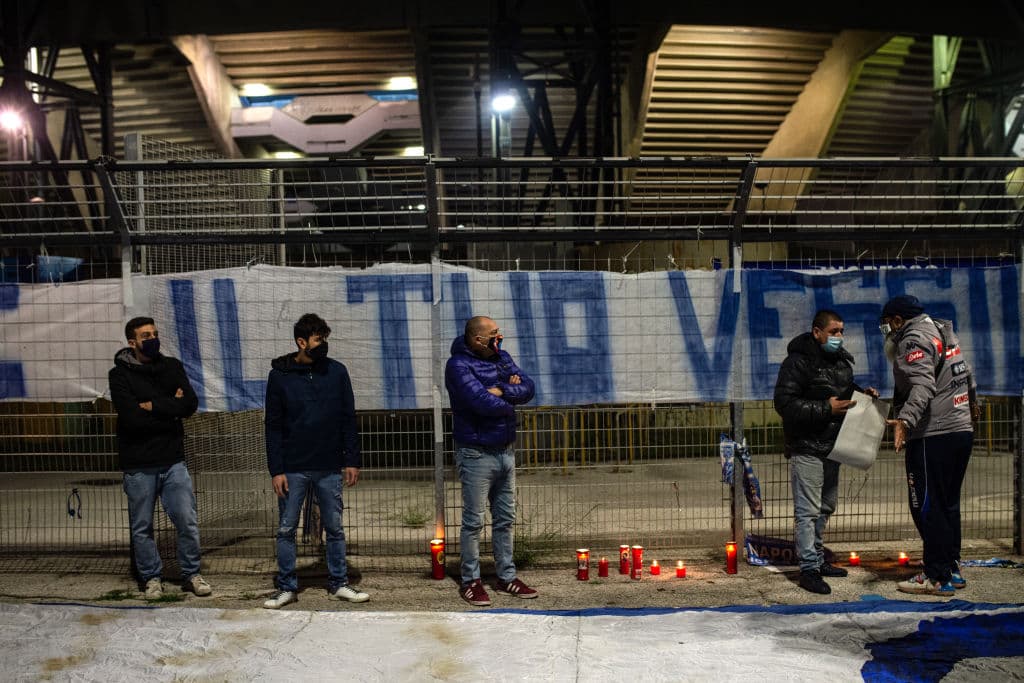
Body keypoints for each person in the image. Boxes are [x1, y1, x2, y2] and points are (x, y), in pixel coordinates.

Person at [262, 313, 368, 609]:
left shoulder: (337, 372)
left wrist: (351, 459)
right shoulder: (280, 376)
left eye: (325, 339)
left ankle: (339, 583)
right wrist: (276, 469)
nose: (324, 344)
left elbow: (348, 418)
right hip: (292, 467)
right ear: (301, 342)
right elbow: (273, 425)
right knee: (286, 529)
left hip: (329, 465)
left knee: (334, 528)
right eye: (318, 339)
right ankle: (287, 587)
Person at [774, 309, 878, 595]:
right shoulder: (797, 362)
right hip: (807, 445)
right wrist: (825, 409)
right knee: (807, 511)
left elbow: (843, 392)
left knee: (826, 506)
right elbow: (784, 403)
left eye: (841, 331)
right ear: (817, 332)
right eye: (833, 332)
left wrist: (862, 395)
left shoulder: (842, 362)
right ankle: (808, 569)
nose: (839, 337)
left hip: (834, 445)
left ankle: (818, 560)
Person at [880, 295, 977, 597]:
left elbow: (923, 385)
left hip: (933, 434)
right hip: (960, 429)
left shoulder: (913, 339)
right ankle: (950, 568)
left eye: (887, 325)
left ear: (898, 320)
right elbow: (967, 373)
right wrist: (973, 404)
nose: (887, 333)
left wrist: (905, 421)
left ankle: (936, 576)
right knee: (947, 503)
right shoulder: (943, 331)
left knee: (925, 504)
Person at [108, 316, 211, 600]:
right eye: (146, 336)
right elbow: (131, 419)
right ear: (132, 342)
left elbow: (189, 404)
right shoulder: (119, 375)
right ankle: (151, 578)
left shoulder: (172, 367)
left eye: (154, 333)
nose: (153, 339)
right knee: (142, 527)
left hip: (173, 460)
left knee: (187, 521)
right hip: (139, 464)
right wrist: (170, 405)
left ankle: (191, 574)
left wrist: (151, 405)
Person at [445, 316, 537, 606]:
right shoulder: (458, 365)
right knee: (474, 522)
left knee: (505, 519)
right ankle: (471, 581)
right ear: (478, 339)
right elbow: (480, 403)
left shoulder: (502, 357)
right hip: (476, 453)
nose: (499, 337)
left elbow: (529, 387)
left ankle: (506, 576)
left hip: (505, 450)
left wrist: (502, 390)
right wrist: (510, 398)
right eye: (494, 334)